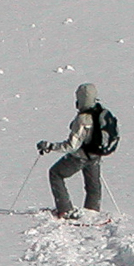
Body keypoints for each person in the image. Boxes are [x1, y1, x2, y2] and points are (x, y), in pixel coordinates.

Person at [37, 82, 107, 217]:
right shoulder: (101, 113)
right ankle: (92, 211)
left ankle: (65, 209)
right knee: (93, 184)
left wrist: (51, 146)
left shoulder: (82, 119)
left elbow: (71, 146)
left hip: (79, 156)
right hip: (95, 155)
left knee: (55, 173)